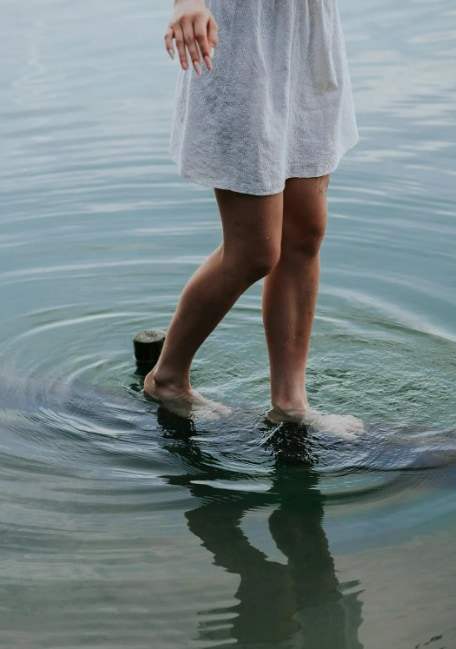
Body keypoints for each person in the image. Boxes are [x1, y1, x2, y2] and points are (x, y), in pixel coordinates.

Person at [144, 0, 363, 437]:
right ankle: (166, 378)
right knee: (255, 252)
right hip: (241, 43)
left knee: (304, 235)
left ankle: (290, 403)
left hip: (308, 40)